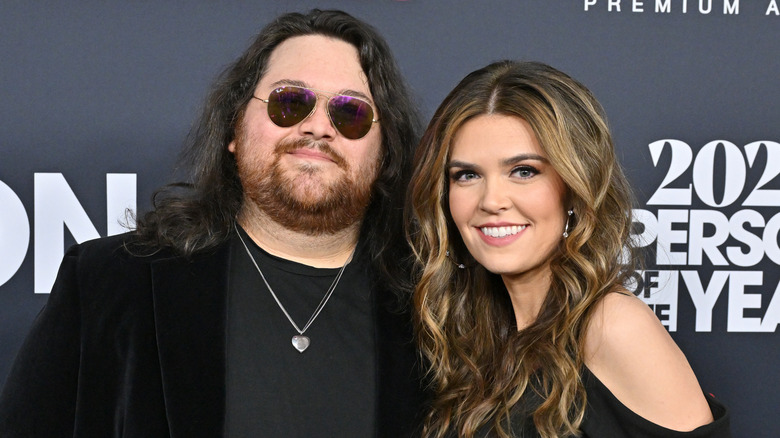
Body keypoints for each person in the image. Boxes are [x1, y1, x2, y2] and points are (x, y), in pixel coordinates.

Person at [0, 9, 424, 437]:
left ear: (384, 151)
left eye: (350, 113)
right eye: (289, 102)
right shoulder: (108, 283)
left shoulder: (438, 309)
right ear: (235, 129)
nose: (317, 127)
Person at [406, 61, 730, 437]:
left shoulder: (613, 325)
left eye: (524, 171)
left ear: (574, 187)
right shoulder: (482, 333)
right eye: (467, 175)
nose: (491, 200)